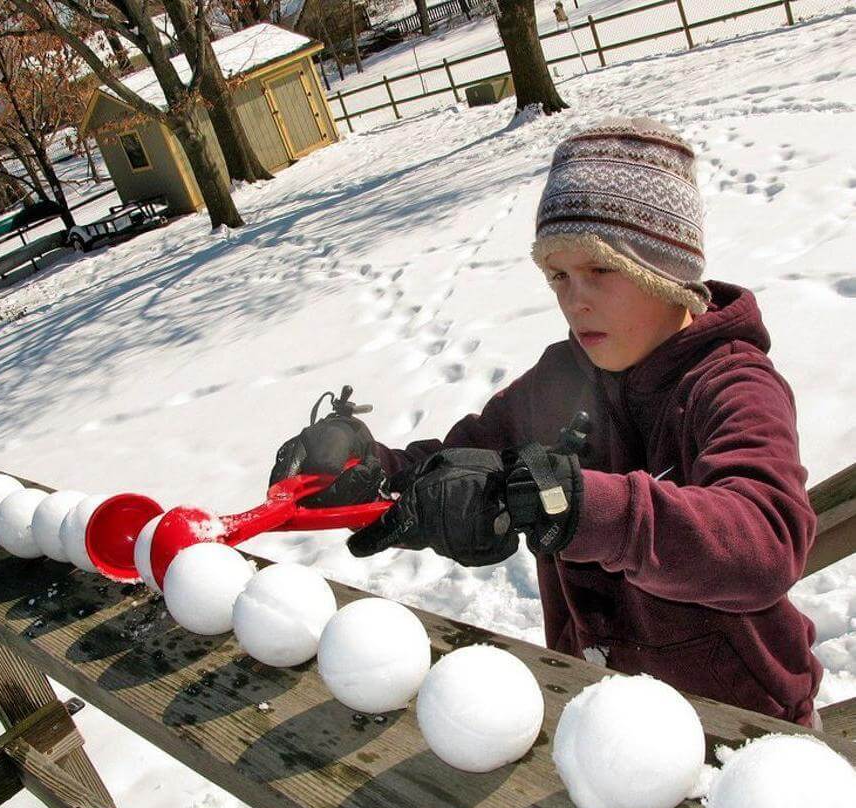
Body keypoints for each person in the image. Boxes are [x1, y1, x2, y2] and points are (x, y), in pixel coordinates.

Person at [270, 116, 822, 728]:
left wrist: (582, 506)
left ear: (667, 273)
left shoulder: (733, 385)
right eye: (558, 275)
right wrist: (372, 467)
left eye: (601, 270)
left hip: (743, 729)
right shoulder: (560, 379)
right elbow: (464, 461)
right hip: (599, 711)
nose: (573, 299)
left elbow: (765, 543)